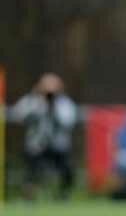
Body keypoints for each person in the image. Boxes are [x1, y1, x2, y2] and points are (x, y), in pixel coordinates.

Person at [10, 72, 78, 200]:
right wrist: (38, 103)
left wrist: (53, 107)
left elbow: (68, 122)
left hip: (58, 146)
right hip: (36, 145)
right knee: (33, 167)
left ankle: (63, 194)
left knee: (67, 168)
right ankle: (29, 194)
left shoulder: (64, 103)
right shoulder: (32, 100)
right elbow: (17, 115)